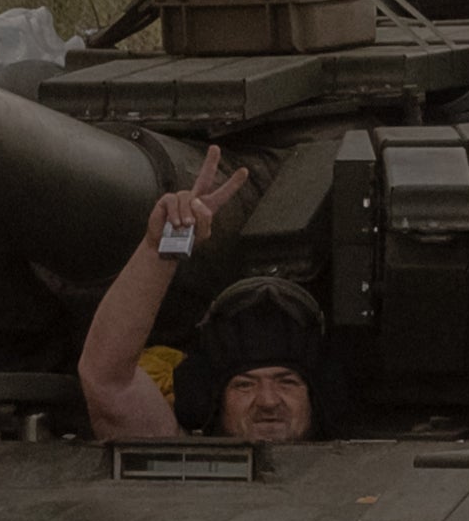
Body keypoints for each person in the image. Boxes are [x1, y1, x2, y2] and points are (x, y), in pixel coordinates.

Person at [76, 148, 332, 445]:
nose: (268, 401)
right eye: (244, 385)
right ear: (214, 401)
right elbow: (106, 379)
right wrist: (161, 247)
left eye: (287, 382)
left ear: (315, 396)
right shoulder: (179, 462)